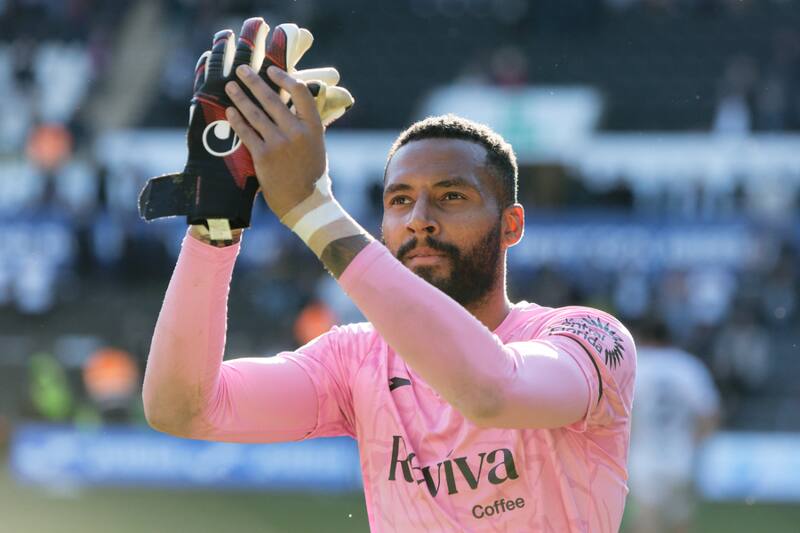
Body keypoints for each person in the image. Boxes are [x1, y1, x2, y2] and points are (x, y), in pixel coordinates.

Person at [142, 31, 637, 531]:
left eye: (451, 197)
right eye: (400, 200)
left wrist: (312, 210)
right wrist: (214, 228)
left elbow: (491, 392)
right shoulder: (355, 359)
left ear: (510, 225)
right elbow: (181, 408)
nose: (419, 219)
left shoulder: (588, 339)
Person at [627, 320, 720, 533]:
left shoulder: (637, 365)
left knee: (646, 518)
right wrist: (696, 445)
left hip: (644, 456)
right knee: (680, 521)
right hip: (681, 455)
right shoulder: (688, 366)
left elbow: (624, 415)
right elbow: (710, 415)